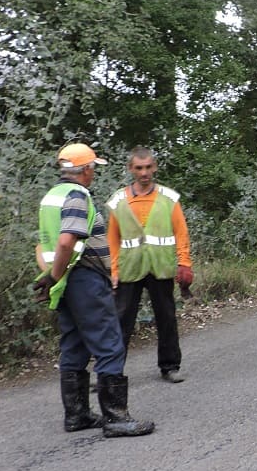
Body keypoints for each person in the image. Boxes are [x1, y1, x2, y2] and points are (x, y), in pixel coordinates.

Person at [33, 143, 155, 437]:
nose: (94, 174)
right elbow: (65, 242)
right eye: (93, 168)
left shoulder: (51, 196)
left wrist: (49, 276)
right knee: (109, 342)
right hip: (83, 278)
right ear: (85, 169)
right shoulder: (77, 195)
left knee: (74, 344)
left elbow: (41, 244)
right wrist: (56, 274)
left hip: (64, 282)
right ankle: (116, 418)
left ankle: (77, 415)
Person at [106, 147, 193, 383]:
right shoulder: (119, 200)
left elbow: (181, 233)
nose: (144, 173)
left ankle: (170, 366)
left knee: (166, 317)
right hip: (129, 268)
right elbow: (112, 239)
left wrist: (184, 263)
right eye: (139, 168)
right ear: (130, 169)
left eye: (148, 167)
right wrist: (114, 270)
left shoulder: (168, 198)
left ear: (154, 167)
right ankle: (111, 372)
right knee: (120, 320)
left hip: (160, 266)